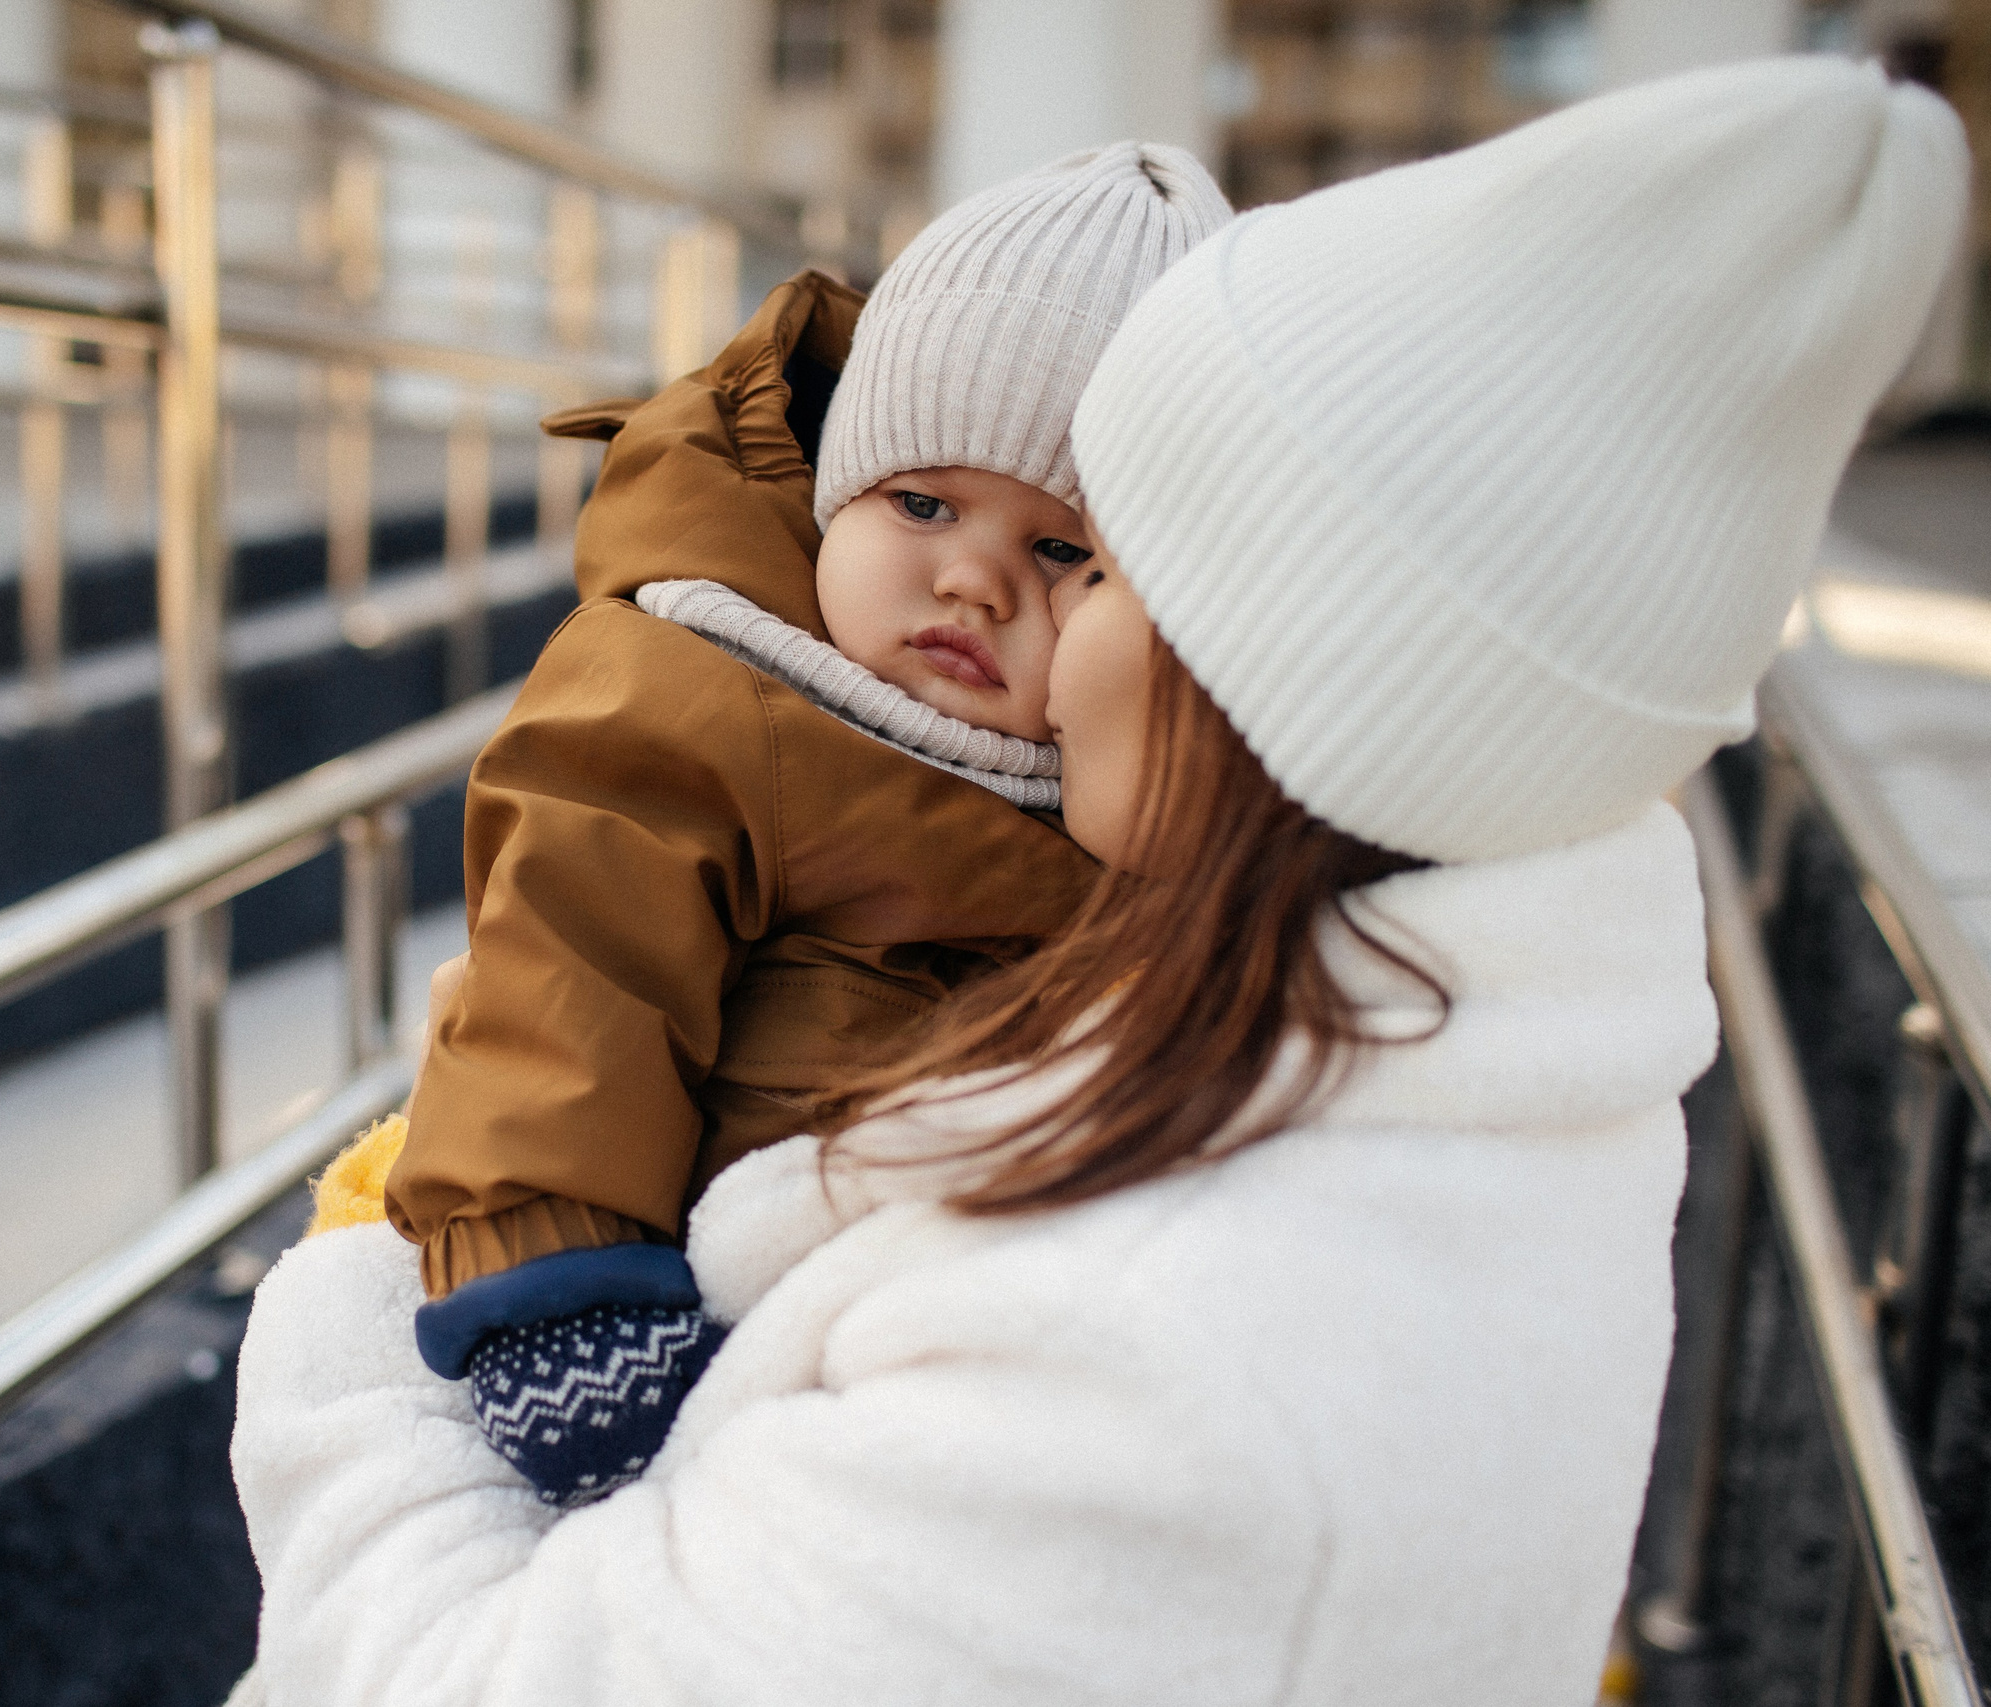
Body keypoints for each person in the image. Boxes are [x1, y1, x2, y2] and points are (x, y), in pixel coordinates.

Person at [225, 57, 1967, 1705]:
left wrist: (363, 1278)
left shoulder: (1149, 1358)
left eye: (1099, 556)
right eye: (927, 508)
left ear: (1271, 666)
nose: (1028, 628)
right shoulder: (1475, 1055)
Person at [378, 144, 1230, 1506]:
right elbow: (570, 977)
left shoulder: (1109, 773)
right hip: (658, 1312)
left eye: (1062, 550)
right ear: (836, 484)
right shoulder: (702, 689)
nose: (971, 578)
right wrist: (558, 1280)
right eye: (924, 503)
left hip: (924, 1337)